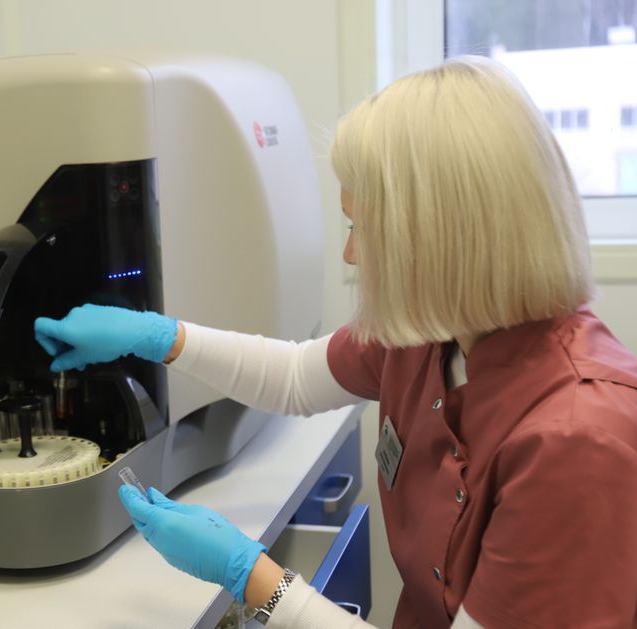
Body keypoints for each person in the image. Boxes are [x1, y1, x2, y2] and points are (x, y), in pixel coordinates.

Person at [33, 56, 637, 628]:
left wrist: (251, 577)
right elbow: (297, 377)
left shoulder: (578, 441)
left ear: (438, 242)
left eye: (361, 229)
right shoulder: (438, 331)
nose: (350, 254)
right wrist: (157, 337)